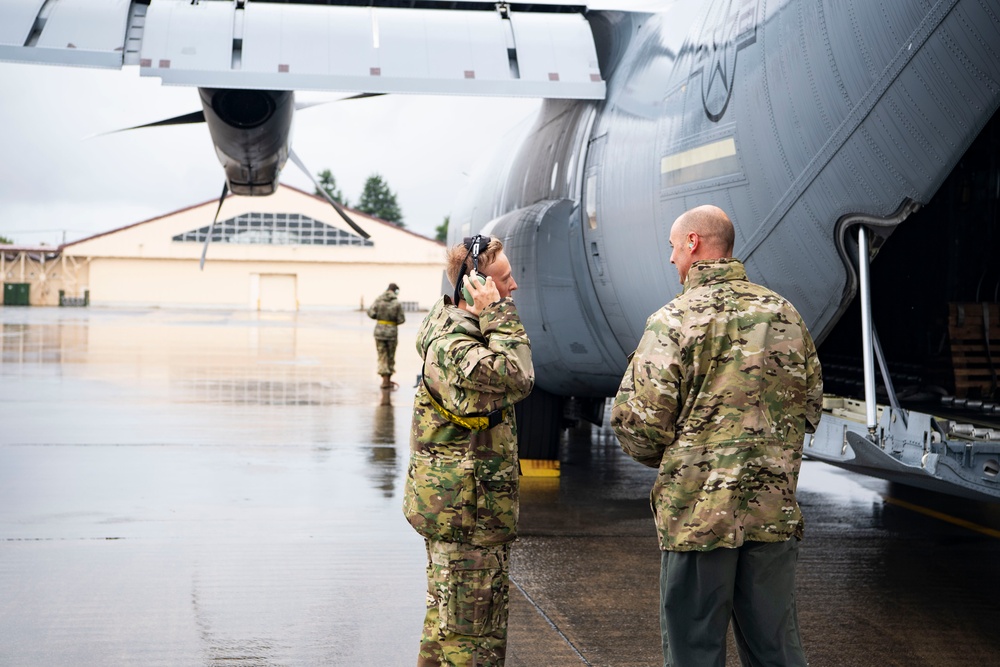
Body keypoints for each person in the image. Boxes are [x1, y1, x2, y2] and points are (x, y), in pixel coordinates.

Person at [610, 205, 823, 667]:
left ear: (693, 244)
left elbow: (640, 425)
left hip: (698, 521)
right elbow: (809, 407)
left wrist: (685, 456)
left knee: (695, 651)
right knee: (777, 651)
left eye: (673, 247)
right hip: (771, 516)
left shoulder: (673, 321)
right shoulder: (784, 314)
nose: (671, 260)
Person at [402, 235, 534, 666]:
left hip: (463, 509)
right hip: (467, 514)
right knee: (471, 640)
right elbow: (518, 376)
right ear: (476, 285)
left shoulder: (457, 328)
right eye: (503, 279)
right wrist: (499, 313)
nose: (512, 287)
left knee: (447, 629)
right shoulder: (457, 346)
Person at [367, 282, 406, 388]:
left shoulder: (379, 300)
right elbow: (401, 319)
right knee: (390, 356)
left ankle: (384, 379)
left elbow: (370, 313)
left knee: (382, 355)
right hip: (392, 333)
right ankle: (387, 380)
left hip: (379, 332)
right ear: (396, 291)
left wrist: (379, 317)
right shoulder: (396, 303)